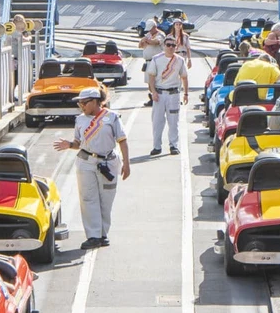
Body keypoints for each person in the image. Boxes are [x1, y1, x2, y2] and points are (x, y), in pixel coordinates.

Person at [55, 87, 129, 249]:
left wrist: (126, 164)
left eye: (85, 102)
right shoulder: (80, 120)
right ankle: (93, 235)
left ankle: (103, 234)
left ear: (95, 101)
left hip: (108, 163)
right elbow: (78, 143)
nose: (81, 106)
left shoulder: (112, 117)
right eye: (80, 103)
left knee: (106, 199)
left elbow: (122, 141)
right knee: (88, 199)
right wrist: (69, 145)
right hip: (86, 162)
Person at [147, 36, 188, 156]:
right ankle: (156, 146)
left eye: (173, 45)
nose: (170, 47)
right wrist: (153, 91)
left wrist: (186, 93)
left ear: (176, 47)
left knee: (173, 121)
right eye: (168, 45)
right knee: (157, 121)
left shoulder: (180, 60)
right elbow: (151, 76)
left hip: (173, 94)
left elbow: (184, 77)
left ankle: (173, 145)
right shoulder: (156, 59)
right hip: (159, 94)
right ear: (164, 46)